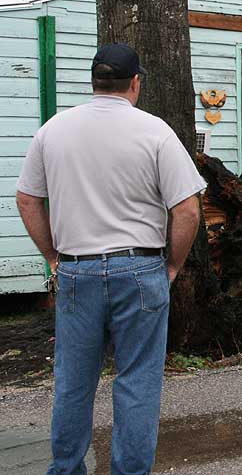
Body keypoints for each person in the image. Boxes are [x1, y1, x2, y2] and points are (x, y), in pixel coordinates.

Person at [16, 43, 206, 475]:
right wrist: (172, 266)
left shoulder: (54, 131)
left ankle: (65, 469)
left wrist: (52, 256)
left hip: (76, 268)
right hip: (140, 269)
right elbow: (188, 209)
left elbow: (27, 199)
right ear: (135, 82)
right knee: (137, 381)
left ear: (94, 82)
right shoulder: (155, 132)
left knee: (73, 382)